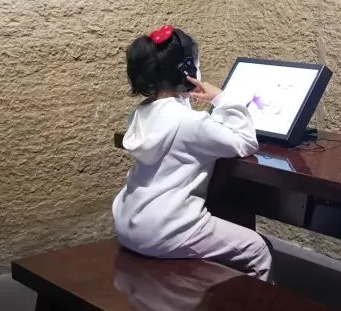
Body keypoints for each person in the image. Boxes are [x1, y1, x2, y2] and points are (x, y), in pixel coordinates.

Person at [112, 24, 272, 281]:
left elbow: (177, 126)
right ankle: (248, 306)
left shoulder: (141, 113)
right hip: (166, 229)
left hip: (129, 222)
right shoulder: (191, 123)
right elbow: (245, 141)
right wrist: (221, 98)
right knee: (258, 249)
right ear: (186, 71)